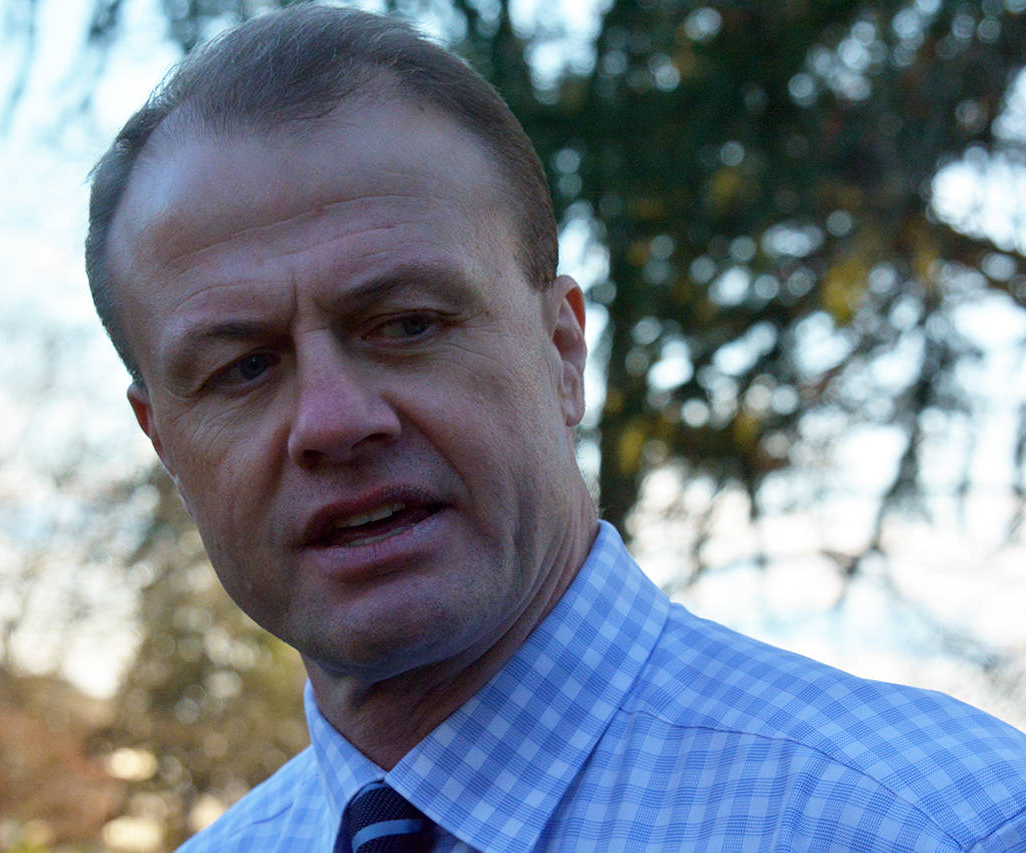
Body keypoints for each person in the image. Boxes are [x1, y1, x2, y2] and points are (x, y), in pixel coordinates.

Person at [84, 6, 1026, 851]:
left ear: (563, 349)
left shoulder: (939, 826)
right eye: (243, 368)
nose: (333, 421)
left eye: (406, 324)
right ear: (164, 443)